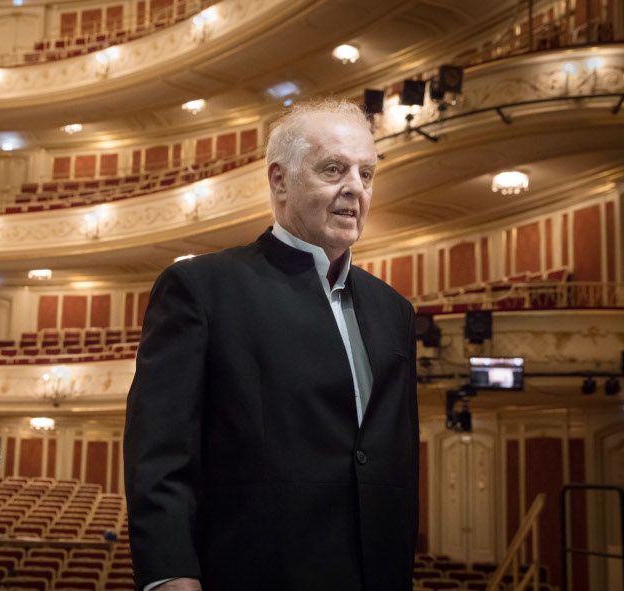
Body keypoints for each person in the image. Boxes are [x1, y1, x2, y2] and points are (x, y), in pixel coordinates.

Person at [124, 99, 419, 591]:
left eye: (366, 173)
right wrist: (170, 575)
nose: (355, 188)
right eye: (333, 169)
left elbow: (393, 463)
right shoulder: (201, 288)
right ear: (279, 180)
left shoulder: (395, 310)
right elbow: (159, 454)